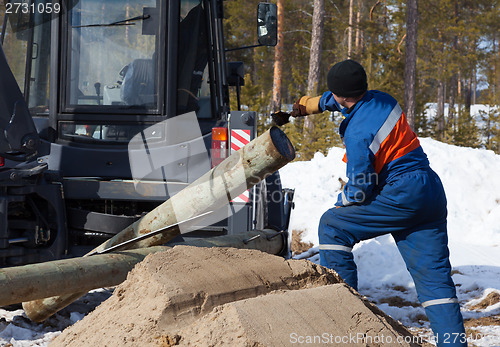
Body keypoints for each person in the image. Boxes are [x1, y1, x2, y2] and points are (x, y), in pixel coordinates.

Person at [291, 59, 467, 347]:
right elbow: (342, 101)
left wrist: (341, 202)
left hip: (401, 193)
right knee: (436, 286)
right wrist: (313, 104)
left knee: (332, 225)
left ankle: (341, 317)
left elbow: (360, 189)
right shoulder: (382, 100)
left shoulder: (358, 133)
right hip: (429, 193)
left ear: (343, 95)